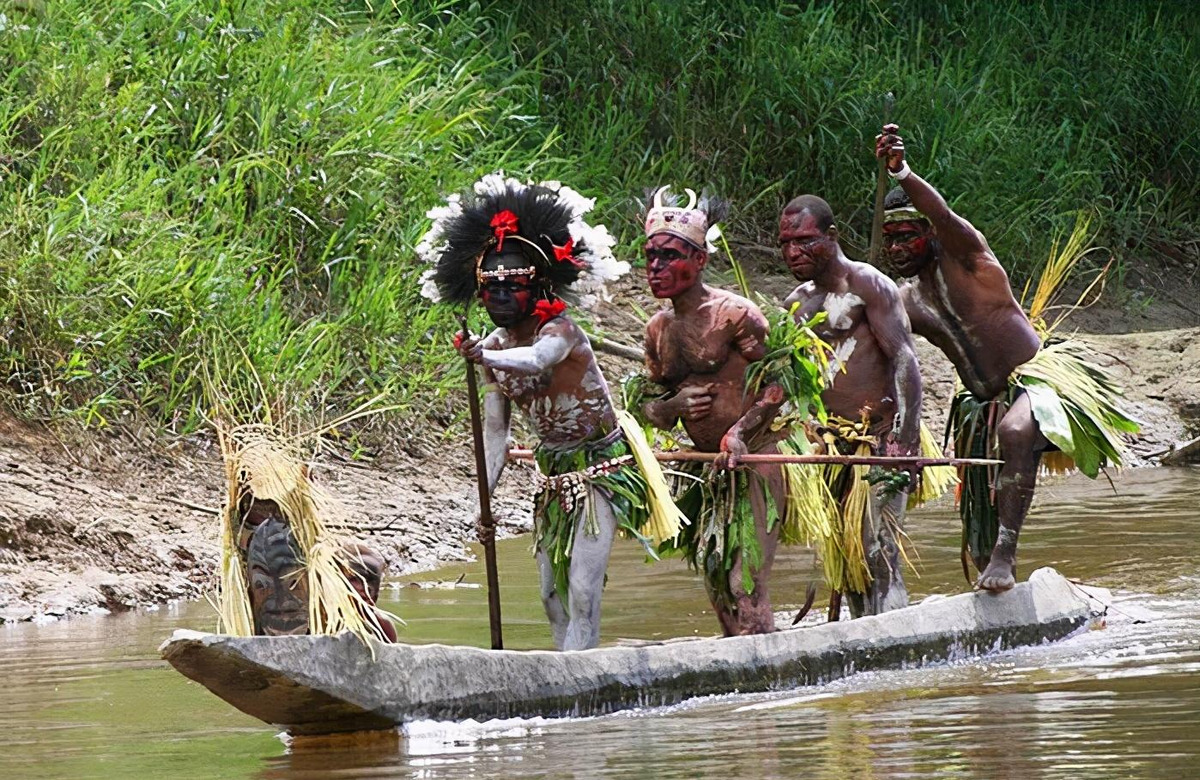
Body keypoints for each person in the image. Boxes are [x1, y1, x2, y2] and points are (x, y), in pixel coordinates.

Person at [421, 174, 683, 650]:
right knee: (550, 596)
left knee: (582, 590)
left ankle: (578, 678)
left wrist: (485, 357)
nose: (499, 296)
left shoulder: (561, 332)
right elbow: (496, 431)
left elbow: (538, 361)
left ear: (538, 285)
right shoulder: (495, 348)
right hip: (555, 472)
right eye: (490, 287)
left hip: (602, 467)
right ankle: (569, 670)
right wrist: (485, 497)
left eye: (512, 286)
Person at [875, 123, 1138, 591]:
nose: (896, 249)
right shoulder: (905, 300)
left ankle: (1006, 556)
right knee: (976, 527)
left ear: (931, 234)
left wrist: (903, 173)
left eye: (907, 237)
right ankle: (991, 579)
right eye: (889, 240)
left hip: (1039, 382)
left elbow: (944, 212)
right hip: (977, 403)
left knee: (1015, 430)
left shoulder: (972, 259)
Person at [636, 186, 791, 635]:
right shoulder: (657, 330)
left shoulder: (736, 314)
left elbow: (782, 383)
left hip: (757, 456)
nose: (656, 267)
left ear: (700, 260)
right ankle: (743, 675)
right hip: (705, 467)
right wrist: (672, 406)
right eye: (650, 256)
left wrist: (741, 430)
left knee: (746, 583)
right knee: (718, 582)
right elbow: (648, 408)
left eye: (669, 256)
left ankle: (764, 676)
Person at [779, 194, 923, 617]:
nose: (794, 253)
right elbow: (791, 381)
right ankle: (865, 637)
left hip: (878, 441)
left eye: (805, 242)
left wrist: (904, 442)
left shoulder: (868, 285)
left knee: (878, 548)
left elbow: (904, 360)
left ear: (832, 237)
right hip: (829, 448)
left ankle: (893, 636)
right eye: (785, 244)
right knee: (846, 557)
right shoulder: (796, 303)